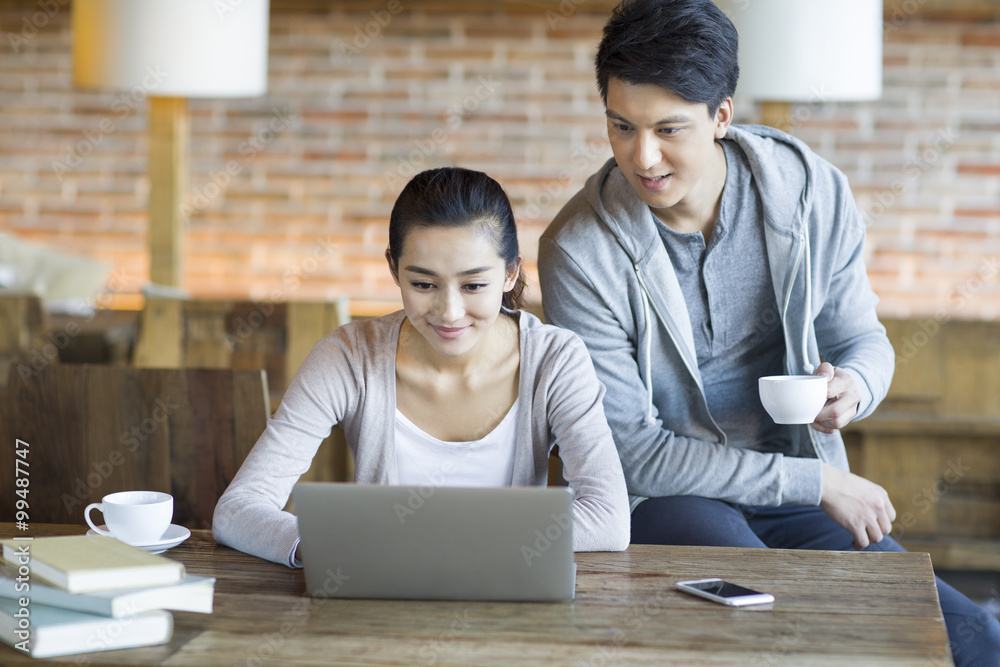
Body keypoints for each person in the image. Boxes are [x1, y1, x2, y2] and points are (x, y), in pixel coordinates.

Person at [537, 0, 1000, 662]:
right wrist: (816, 485)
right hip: (670, 497)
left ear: (722, 115)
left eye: (669, 129)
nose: (643, 156)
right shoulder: (579, 250)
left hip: (800, 484)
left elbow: (862, 338)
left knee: (974, 635)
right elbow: (632, 451)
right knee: (779, 620)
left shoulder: (813, 191)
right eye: (621, 126)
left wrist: (855, 385)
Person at [214, 166, 630, 568]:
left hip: (510, 610)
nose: (449, 312)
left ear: (510, 273)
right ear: (394, 269)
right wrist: (320, 546)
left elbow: (609, 520)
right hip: (378, 608)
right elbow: (237, 510)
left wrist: (430, 540)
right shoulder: (348, 357)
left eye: (473, 285)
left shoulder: (556, 360)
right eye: (424, 284)